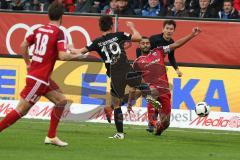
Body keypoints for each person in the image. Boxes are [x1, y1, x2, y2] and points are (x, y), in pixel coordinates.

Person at [0, 2, 83, 146]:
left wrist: (27, 64)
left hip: (41, 78)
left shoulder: (39, 29)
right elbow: (63, 56)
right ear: (62, 17)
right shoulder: (59, 32)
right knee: (21, 110)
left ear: (48, 15)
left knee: (61, 101)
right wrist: (78, 56)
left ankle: (51, 136)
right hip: (39, 79)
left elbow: (23, 45)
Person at [70, 15, 142, 139]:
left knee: (117, 103)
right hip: (127, 69)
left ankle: (119, 133)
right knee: (142, 89)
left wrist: (71, 48)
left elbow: (79, 52)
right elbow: (138, 38)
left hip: (114, 74)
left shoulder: (96, 42)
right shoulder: (119, 35)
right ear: (111, 25)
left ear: (100, 27)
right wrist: (132, 27)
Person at [132, 27, 201, 136]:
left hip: (165, 91)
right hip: (151, 88)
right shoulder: (137, 62)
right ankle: (151, 121)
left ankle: (158, 130)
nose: (145, 45)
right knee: (152, 92)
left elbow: (176, 45)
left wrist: (191, 35)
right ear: (139, 46)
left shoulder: (158, 51)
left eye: (147, 43)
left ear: (150, 45)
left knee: (166, 123)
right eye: (143, 43)